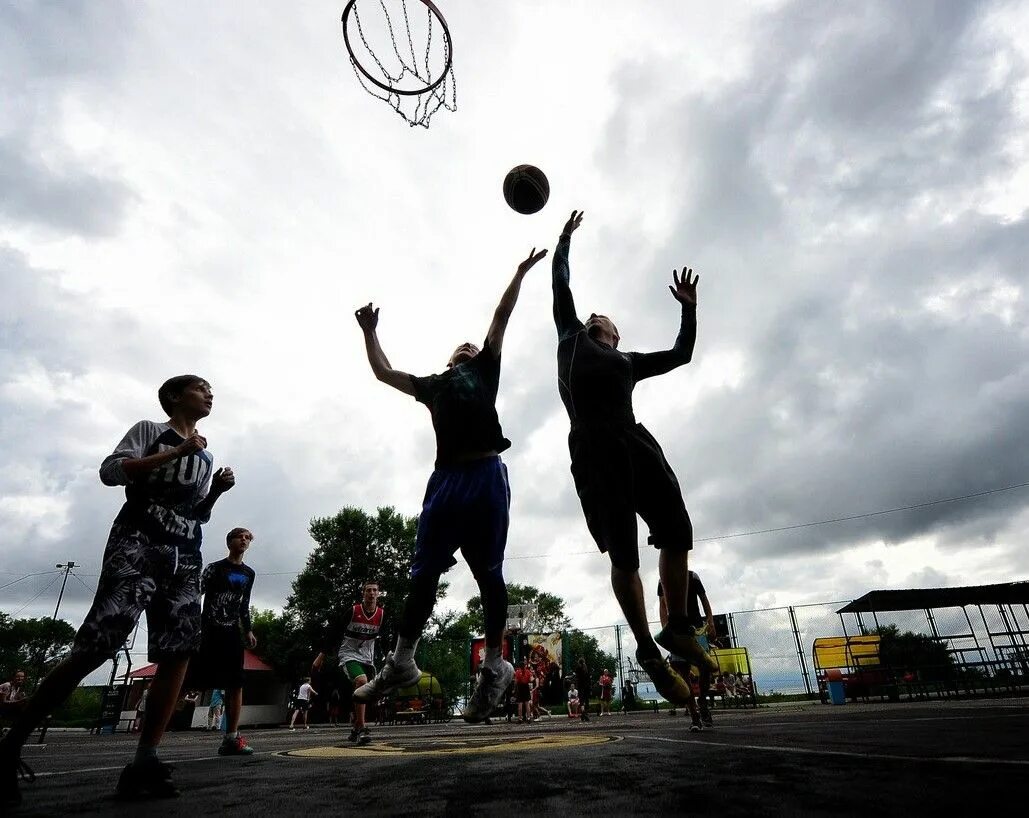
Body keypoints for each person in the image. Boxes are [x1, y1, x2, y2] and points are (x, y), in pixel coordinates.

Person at [0, 374, 234, 806]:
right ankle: (11, 744)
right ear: (175, 397)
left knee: (179, 651)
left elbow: (197, 514)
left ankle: (145, 760)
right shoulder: (150, 432)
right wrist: (177, 452)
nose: (210, 393)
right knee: (99, 644)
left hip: (184, 553)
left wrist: (216, 491)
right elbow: (111, 472)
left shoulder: (206, 456)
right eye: (201, 387)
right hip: (138, 543)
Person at [352, 247, 547, 722]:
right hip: (444, 484)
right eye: (460, 346)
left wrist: (519, 272)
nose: (468, 347)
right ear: (448, 358)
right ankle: (401, 661)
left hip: (485, 476)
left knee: (489, 576)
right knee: (422, 574)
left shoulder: (486, 370)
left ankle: (496, 667)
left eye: (473, 346)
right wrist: (371, 332)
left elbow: (502, 316)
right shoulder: (435, 385)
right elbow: (382, 372)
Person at [549, 210, 716, 705]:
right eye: (592, 313)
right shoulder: (571, 340)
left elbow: (682, 353)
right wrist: (564, 240)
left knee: (678, 530)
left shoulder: (628, 361)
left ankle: (679, 627)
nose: (596, 313)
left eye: (605, 315)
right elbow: (561, 287)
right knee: (625, 554)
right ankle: (647, 648)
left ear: (617, 333)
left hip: (633, 442)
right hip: (594, 449)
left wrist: (689, 307)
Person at [188, 527, 258, 754]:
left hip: (231, 632)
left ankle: (231, 736)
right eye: (240, 537)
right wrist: (192, 623)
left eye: (248, 538)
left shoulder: (249, 574)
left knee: (236, 682)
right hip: (208, 629)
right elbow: (196, 594)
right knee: (189, 678)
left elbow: (244, 604)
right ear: (229, 542)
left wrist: (247, 630)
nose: (244, 540)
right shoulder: (214, 569)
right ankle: (155, 733)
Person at [312, 580, 384, 746]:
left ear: (378, 594)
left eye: (375, 590)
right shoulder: (353, 611)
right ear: (363, 594)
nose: (372, 593)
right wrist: (322, 655)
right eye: (368, 590)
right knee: (361, 681)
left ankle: (356, 727)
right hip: (349, 655)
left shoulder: (381, 614)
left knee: (365, 692)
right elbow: (334, 632)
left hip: (368, 658)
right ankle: (362, 728)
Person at [659, 569, 717, 728]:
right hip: (677, 631)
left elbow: (704, 600)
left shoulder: (692, 576)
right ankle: (694, 716)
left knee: (705, 667)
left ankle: (703, 700)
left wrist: (710, 622)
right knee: (683, 674)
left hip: (697, 628)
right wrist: (666, 629)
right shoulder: (662, 579)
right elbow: (662, 605)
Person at [513, 659, 533, 723]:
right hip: (526, 687)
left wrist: (514, 689)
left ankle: (520, 718)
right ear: (524, 666)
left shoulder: (517, 672)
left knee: (520, 704)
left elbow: (516, 682)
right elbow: (531, 679)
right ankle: (528, 718)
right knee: (527, 704)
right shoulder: (528, 671)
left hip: (520, 687)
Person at [575, 657, 591, 722]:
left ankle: (583, 713)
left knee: (581, 701)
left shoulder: (578, 668)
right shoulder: (586, 669)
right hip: (586, 686)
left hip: (580, 686)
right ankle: (585, 713)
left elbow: (576, 676)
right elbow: (589, 678)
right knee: (586, 700)